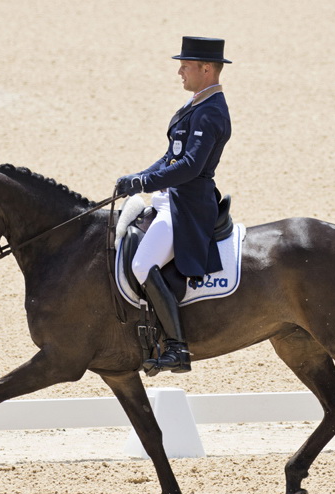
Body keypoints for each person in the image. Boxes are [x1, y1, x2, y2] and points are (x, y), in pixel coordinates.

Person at [116, 36, 232, 374]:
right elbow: (170, 157)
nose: (180, 71)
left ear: (206, 69)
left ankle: (177, 348)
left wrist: (145, 183)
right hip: (170, 198)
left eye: (186, 65)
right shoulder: (195, 105)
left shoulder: (211, 111)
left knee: (141, 265)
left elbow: (191, 166)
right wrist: (139, 176)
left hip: (187, 206)